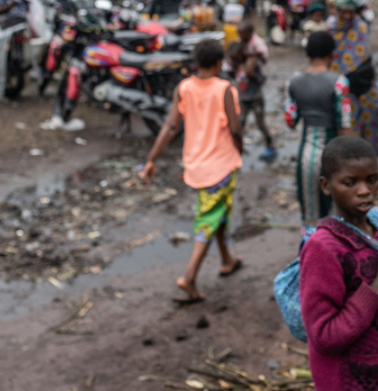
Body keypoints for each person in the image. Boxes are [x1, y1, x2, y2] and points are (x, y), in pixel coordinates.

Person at [299, 135, 378, 390]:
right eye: (350, 182)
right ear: (326, 186)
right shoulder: (322, 248)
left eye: (371, 180)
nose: (364, 190)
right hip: (355, 381)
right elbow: (323, 337)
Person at [140, 40, 244, 303]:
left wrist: (151, 159)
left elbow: (170, 126)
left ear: (195, 63)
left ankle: (227, 259)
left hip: (196, 165)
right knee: (208, 220)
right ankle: (189, 277)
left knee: (218, 210)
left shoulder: (184, 87)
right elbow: (235, 129)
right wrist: (240, 150)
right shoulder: (225, 90)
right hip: (220, 165)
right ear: (219, 63)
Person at [285, 31, 352, 227]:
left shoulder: (293, 81)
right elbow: (345, 125)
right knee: (337, 215)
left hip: (306, 155)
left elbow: (290, 120)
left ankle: (310, 253)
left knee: (311, 216)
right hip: (333, 154)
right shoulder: (339, 82)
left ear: (308, 55)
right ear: (331, 54)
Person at [329, 0, 378, 162]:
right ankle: (353, 158)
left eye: (351, 12)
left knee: (375, 116)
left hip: (364, 82)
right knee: (349, 124)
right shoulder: (330, 29)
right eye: (343, 12)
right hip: (344, 87)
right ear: (338, 10)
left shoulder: (361, 26)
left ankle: (375, 153)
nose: (347, 16)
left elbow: (364, 54)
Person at [228, 33, 276, 162]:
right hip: (243, 99)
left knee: (261, 124)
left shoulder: (252, 63)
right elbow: (232, 77)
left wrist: (251, 73)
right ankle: (236, 149)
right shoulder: (236, 66)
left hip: (256, 98)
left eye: (235, 58)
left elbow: (261, 79)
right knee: (240, 123)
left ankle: (270, 146)